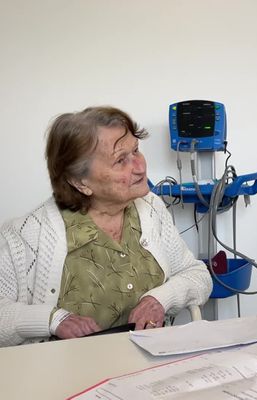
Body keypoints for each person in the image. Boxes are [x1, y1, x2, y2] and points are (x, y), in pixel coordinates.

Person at [0, 106, 213, 347]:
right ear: (80, 181)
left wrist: (159, 299)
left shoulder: (151, 209)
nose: (140, 167)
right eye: (121, 160)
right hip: (67, 376)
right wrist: (53, 319)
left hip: (150, 369)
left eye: (136, 151)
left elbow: (197, 276)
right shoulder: (26, 235)